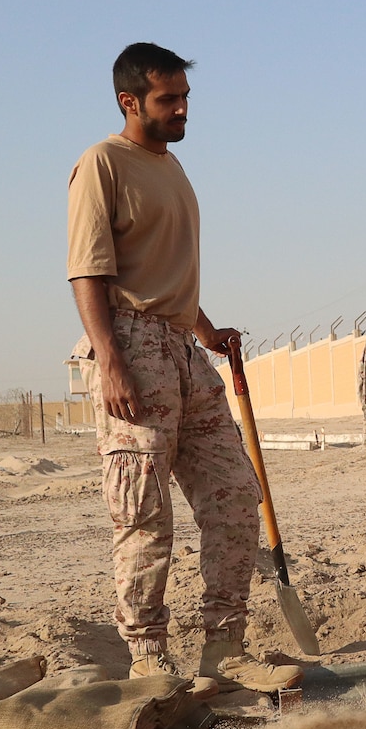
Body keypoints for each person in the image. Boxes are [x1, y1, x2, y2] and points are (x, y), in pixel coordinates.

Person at [67, 42, 300, 693]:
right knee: (144, 515)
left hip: (183, 351)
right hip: (131, 349)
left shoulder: (171, 169)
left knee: (233, 495)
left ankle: (223, 648)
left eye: (185, 97)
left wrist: (205, 329)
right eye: (169, 99)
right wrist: (110, 361)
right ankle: (148, 654)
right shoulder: (103, 164)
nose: (182, 109)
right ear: (129, 101)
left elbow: (167, 272)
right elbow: (89, 270)